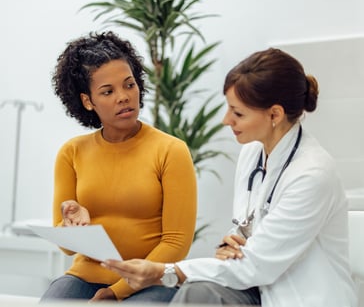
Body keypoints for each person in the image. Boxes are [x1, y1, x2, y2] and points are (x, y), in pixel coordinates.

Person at [102, 48, 358, 307]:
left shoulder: (312, 175)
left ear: (275, 115)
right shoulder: (252, 153)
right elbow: (244, 235)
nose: (226, 120)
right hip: (258, 288)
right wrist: (231, 243)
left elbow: (257, 264)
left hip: (301, 298)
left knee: (197, 291)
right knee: (199, 292)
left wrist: (163, 272)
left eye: (237, 113)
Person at [40, 31, 197, 303]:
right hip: (84, 276)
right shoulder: (72, 152)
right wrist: (71, 225)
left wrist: (116, 292)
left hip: (151, 280)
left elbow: (176, 243)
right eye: (108, 91)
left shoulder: (171, 150)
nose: (124, 97)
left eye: (129, 85)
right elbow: (65, 247)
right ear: (88, 101)